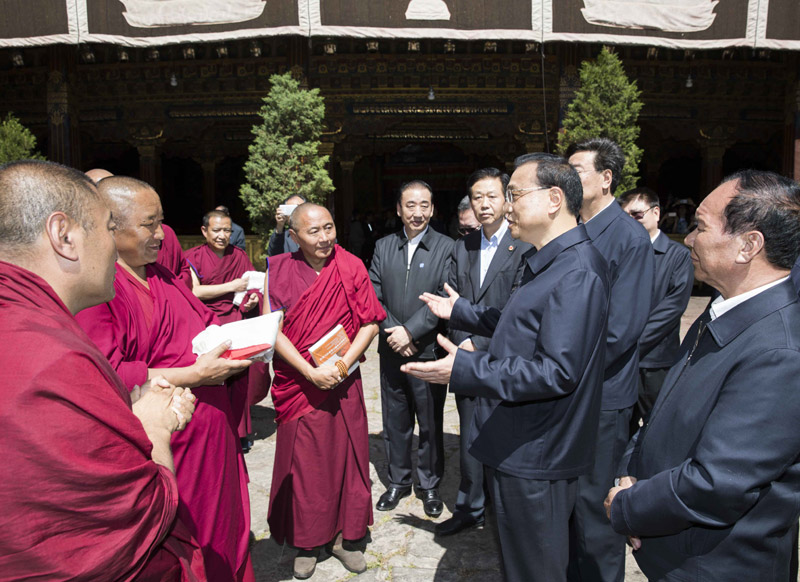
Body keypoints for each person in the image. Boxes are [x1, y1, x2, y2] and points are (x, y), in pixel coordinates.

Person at [403, 153, 610, 581]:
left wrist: (465, 370)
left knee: (535, 570)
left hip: (539, 451)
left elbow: (556, 372)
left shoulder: (576, 271)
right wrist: (462, 311)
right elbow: (521, 323)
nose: (507, 206)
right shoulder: (548, 259)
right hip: (521, 442)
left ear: (554, 199)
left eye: (514, 194)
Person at [0, 160, 205, 581]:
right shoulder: (48, 356)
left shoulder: (25, 324)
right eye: (109, 228)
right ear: (64, 235)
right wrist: (154, 426)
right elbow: (140, 510)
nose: (114, 245)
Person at [605, 170, 800, 581]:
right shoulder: (724, 309)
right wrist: (629, 472)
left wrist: (630, 506)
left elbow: (719, 483)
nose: (689, 239)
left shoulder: (780, 352)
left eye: (701, 227)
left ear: (749, 245)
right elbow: (664, 412)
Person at [75, 176, 255, 582]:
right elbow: (106, 372)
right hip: (166, 441)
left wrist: (244, 340)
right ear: (110, 226)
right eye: (149, 224)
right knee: (185, 536)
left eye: (161, 222)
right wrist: (194, 374)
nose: (161, 235)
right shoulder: (98, 289)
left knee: (223, 529)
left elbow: (206, 322)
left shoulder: (164, 276)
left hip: (212, 431)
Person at [266, 203, 386, 579]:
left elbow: (370, 322)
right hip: (300, 384)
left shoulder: (351, 265)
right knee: (305, 465)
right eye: (313, 231)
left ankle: (343, 538)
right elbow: (272, 329)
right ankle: (307, 541)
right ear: (294, 236)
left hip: (342, 380)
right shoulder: (278, 269)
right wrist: (309, 372)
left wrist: (340, 366)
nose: (324, 237)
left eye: (329, 228)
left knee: (346, 457)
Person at [565, 137, 655, 582]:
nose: (567, 178)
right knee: (569, 505)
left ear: (606, 178)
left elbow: (621, 330)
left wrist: (558, 364)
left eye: (577, 170)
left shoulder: (628, 237)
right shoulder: (571, 228)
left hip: (601, 394)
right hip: (567, 389)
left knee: (596, 509)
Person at [436, 168, 533, 538]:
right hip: (466, 357)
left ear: (507, 199)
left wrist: (480, 344)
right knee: (469, 439)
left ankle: (505, 509)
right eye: (478, 197)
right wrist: (463, 341)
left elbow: (520, 309)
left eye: (492, 196)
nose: (484, 204)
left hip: (506, 358)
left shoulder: (524, 245)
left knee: (507, 435)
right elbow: (451, 299)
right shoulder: (462, 247)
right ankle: (470, 507)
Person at [369, 180, 455, 518]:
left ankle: (429, 484)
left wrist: (411, 331)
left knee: (430, 421)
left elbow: (445, 295)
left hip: (427, 350)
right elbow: (373, 294)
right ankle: (398, 480)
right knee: (395, 420)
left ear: (432, 209)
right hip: (392, 349)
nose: (417, 212)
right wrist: (394, 332)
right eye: (410, 205)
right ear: (398, 209)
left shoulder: (447, 247)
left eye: (424, 205)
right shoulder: (383, 246)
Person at [185, 209, 264, 450]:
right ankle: (214, 431)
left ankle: (239, 432)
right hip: (207, 323)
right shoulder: (193, 257)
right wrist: (232, 286)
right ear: (204, 231)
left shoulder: (238, 255)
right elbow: (194, 291)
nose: (222, 235)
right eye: (217, 230)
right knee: (213, 379)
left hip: (236, 320)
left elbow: (252, 286)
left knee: (239, 377)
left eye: (227, 230)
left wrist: (252, 299)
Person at [618, 187, 694, 432]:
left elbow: (673, 307)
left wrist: (629, 343)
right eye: (625, 217)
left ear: (656, 213)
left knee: (658, 426)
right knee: (619, 428)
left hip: (655, 360)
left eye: (637, 214)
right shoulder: (618, 253)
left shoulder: (677, 255)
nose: (631, 221)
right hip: (619, 361)